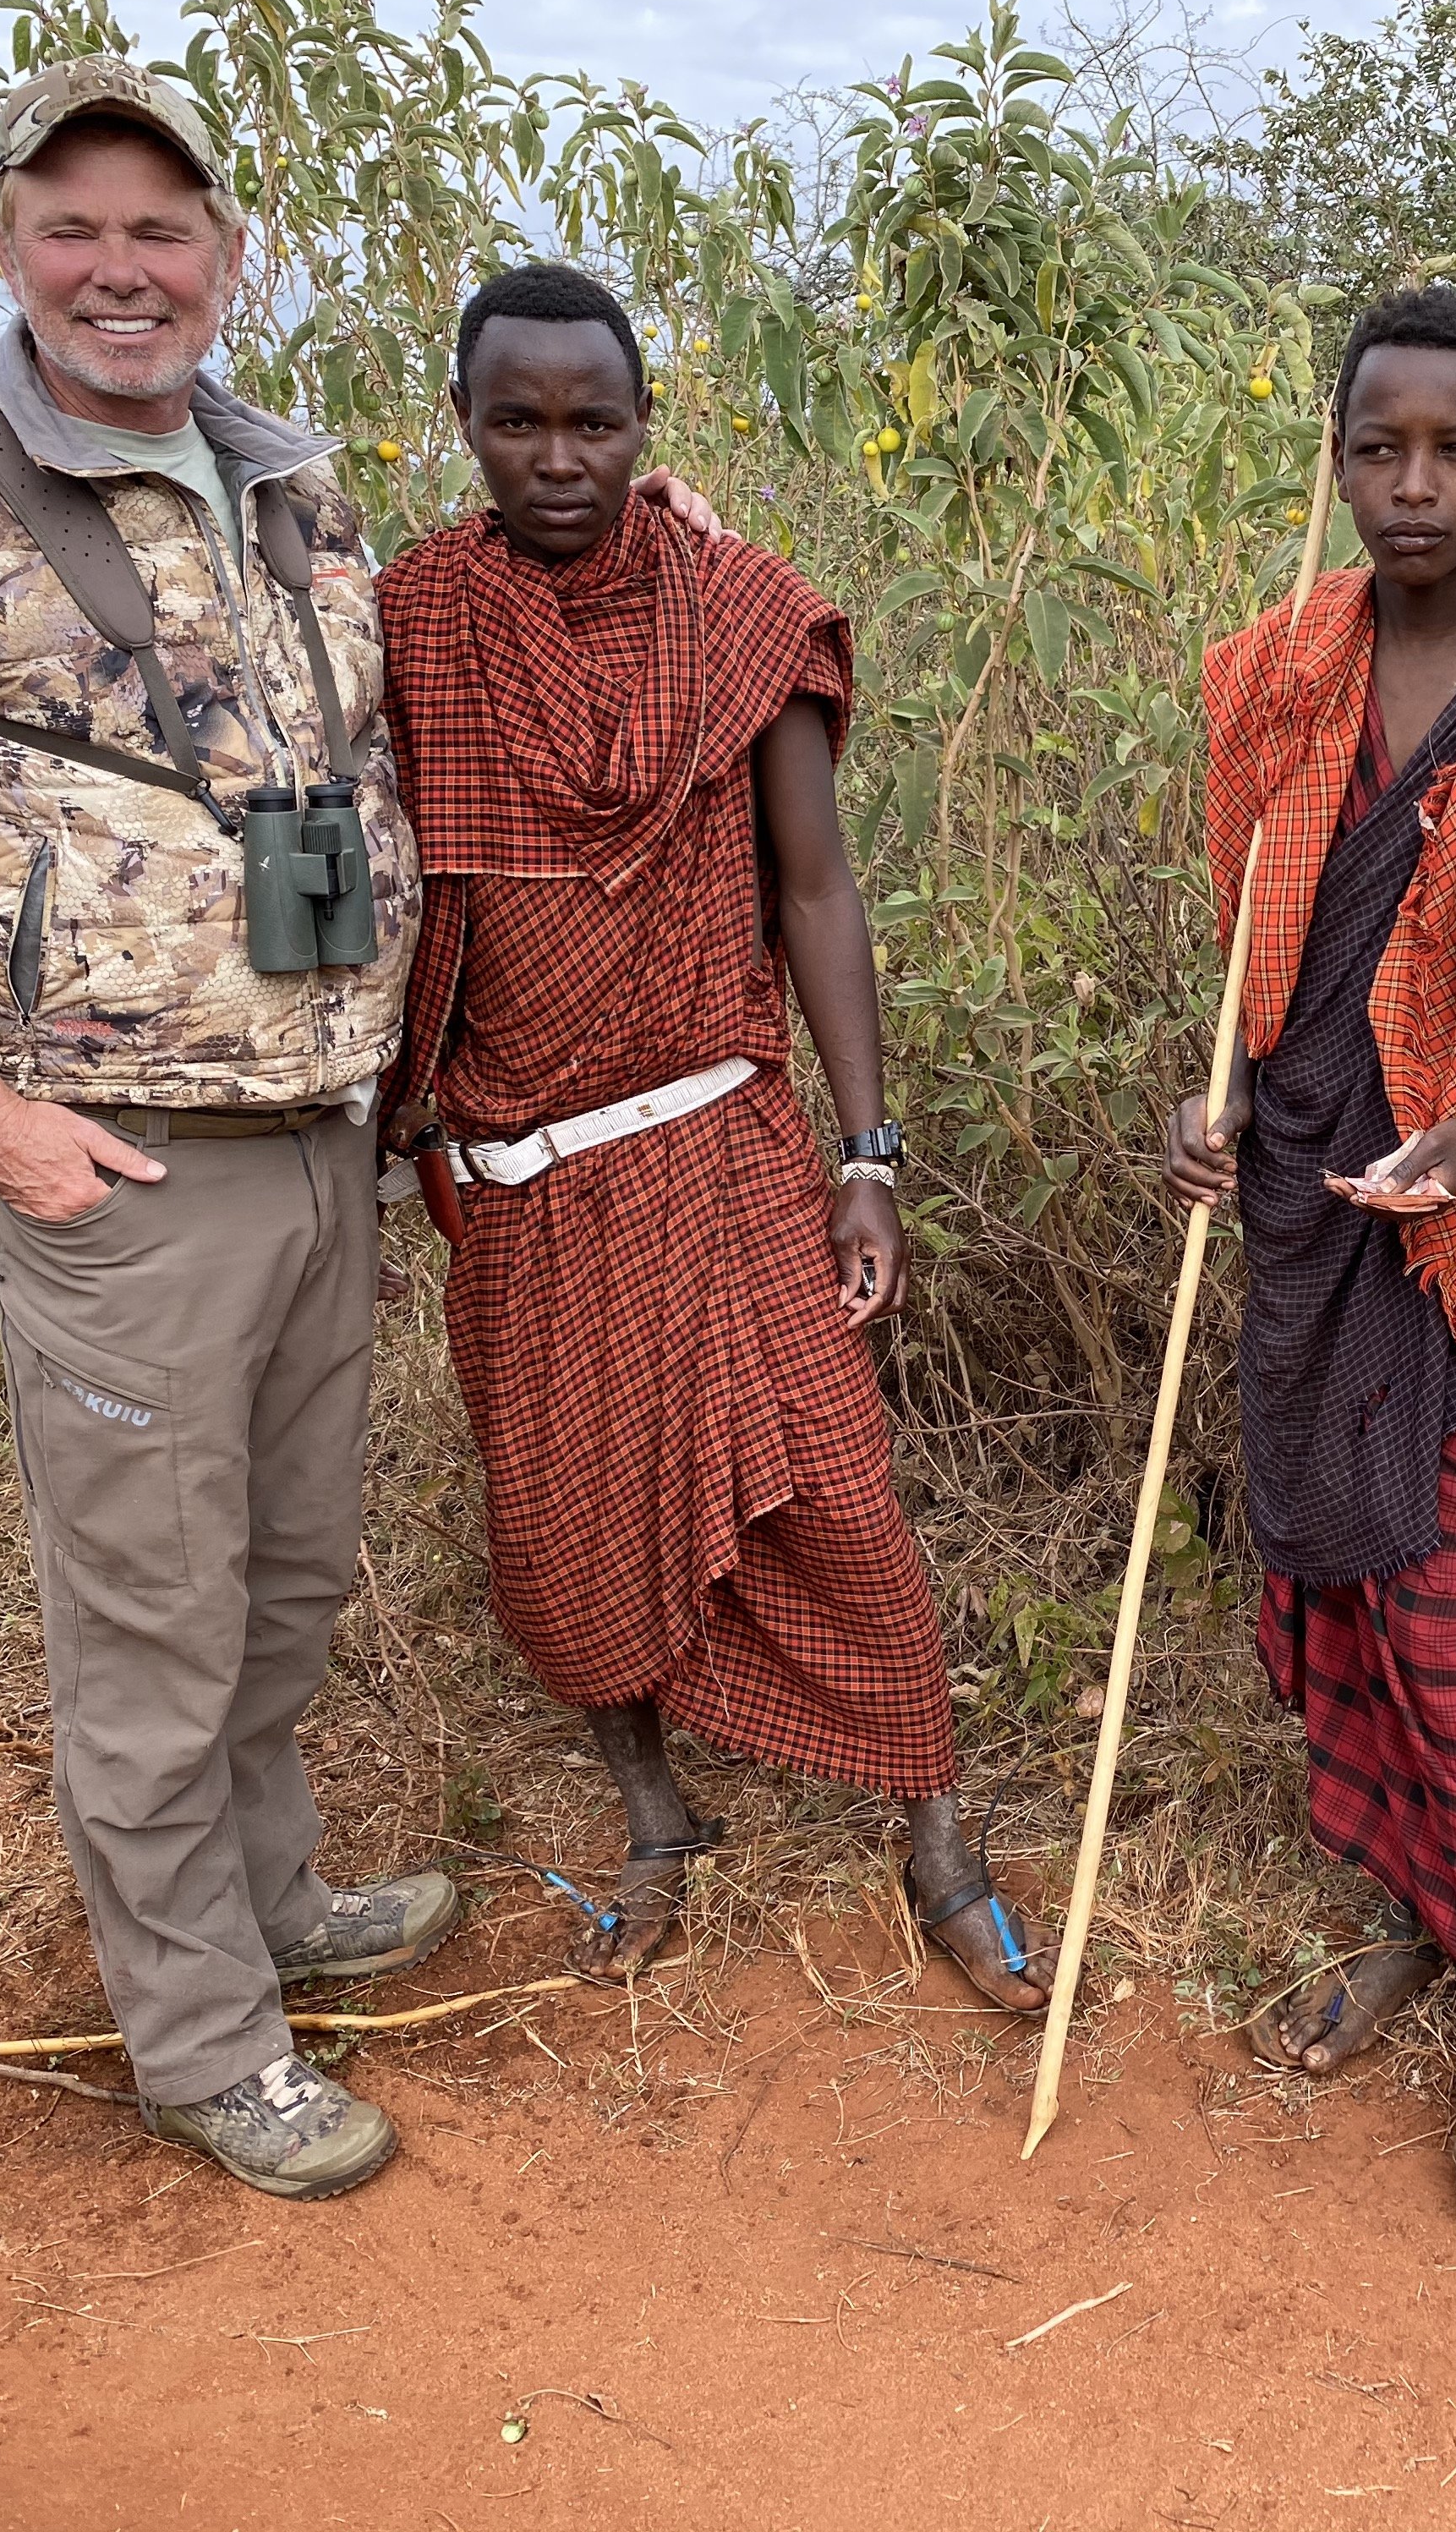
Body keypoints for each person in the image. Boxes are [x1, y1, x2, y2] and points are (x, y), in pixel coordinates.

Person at [0, 58, 448, 2202]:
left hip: (320, 1141)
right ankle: (205, 2040)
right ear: (5, 245)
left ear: (231, 258)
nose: (120, 274)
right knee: (149, 1617)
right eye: (75, 229)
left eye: (161, 232)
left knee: (288, 1582)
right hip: (114, 1167)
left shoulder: (290, 481)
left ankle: (273, 1904)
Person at [375, 263, 1045, 2012]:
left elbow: (815, 889)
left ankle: (939, 1834)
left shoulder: (743, 611)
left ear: (646, 428)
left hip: (718, 1139)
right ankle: (659, 1816)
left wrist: (868, 1150)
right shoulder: (413, 622)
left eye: (596, 421)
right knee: (561, 1524)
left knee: (838, 1498)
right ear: (464, 427)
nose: (558, 457)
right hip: (519, 1176)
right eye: (515, 422)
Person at [1164, 282, 1456, 2222]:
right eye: (1379, 447)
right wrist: (1210, 1111)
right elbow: (1265, 965)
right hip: (1299, 1218)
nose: (1414, 484)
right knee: (1335, 1600)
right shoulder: (1285, 676)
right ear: (1338, 460)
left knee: (1447, 1614)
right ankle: (1416, 1917)